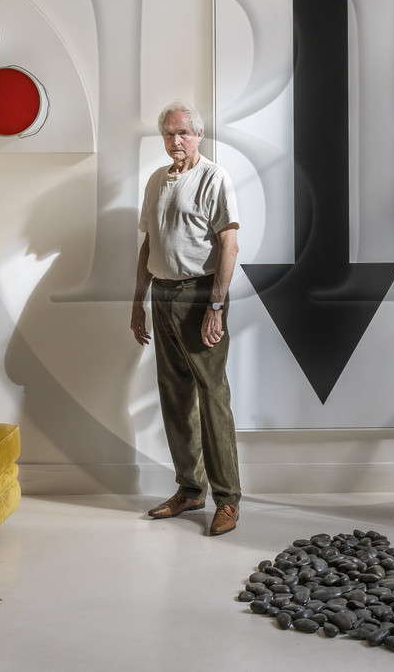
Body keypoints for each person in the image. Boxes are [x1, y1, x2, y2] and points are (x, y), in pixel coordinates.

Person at [132, 99, 242, 536]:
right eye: (169, 133)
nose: (176, 140)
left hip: (200, 295)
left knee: (212, 396)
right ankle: (191, 490)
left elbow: (229, 245)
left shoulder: (214, 177)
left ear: (199, 135)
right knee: (174, 395)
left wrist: (216, 306)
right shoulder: (156, 180)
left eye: (184, 132)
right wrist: (137, 302)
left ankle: (228, 499)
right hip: (162, 294)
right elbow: (149, 245)